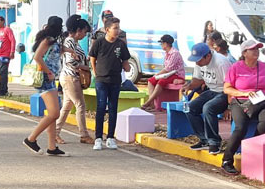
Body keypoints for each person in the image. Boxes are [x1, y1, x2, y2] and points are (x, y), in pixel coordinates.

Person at [221, 39, 265, 174]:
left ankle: (251, 150)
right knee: (240, 127)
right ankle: (227, 160)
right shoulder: (236, 67)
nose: (256, 51)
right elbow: (227, 89)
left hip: (261, 102)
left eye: (257, 49)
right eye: (253, 49)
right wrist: (244, 93)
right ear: (244, 53)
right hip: (240, 102)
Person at [23, 16, 69, 157]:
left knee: (52, 114)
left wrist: (70, 51)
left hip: (49, 79)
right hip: (45, 78)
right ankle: (31, 139)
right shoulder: (48, 39)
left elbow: (58, 49)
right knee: (55, 113)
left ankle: (52, 147)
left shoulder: (51, 40)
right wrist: (48, 71)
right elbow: (37, 57)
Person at [182, 42, 232, 154]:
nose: (197, 62)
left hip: (225, 92)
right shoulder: (199, 63)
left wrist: (229, 106)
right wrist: (188, 86)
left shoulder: (221, 63)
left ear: (208, 56)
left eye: (199, 59)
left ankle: (214, 142)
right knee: (190, 108)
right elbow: (197, 80)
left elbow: (231, 85)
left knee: (208, 108)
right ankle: (204, 140)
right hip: (211, 91)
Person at [89, 17, 131, 150]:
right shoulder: (99, 42)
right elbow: (92, 57)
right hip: (101, 80)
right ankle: (98, 138)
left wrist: (127, 67)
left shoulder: (121, 44)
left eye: (118, 28)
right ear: (107, 29)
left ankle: (111, 137)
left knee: (113, 109)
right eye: (115, 28)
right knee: (101, 107)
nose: (118, 30)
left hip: (115, 80)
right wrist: (95, 72)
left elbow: (125, 61)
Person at [55, 16, 95, 145]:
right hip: (70, 76)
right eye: (84, 32)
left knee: (67, 106)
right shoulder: (70, 42)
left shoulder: (72, 42)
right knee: (80, 105)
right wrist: (85, 67)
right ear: (78, 30)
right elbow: (71, 61)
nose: (84, 35)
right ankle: (84, 134)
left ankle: (55, 132)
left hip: (69, 77)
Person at [141, 34, 186, 111]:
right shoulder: (167, 54)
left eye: (162, 43)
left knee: (161, 81)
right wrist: (157, 75)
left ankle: (148, 102)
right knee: (151, 81)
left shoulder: (174, 53)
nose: (161, 45)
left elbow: (168, 68)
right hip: (169, 74)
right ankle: (152, 104)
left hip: (176, 74)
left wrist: (158, 74)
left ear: (166, 44)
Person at [0, 16, 16, 98]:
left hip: (5, 55)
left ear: (3, 21)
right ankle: (2, 89)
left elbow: (13, 40)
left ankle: (3, 90)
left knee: (3, 73)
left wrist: (12, 52)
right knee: (0, 73)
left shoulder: (7, 29)